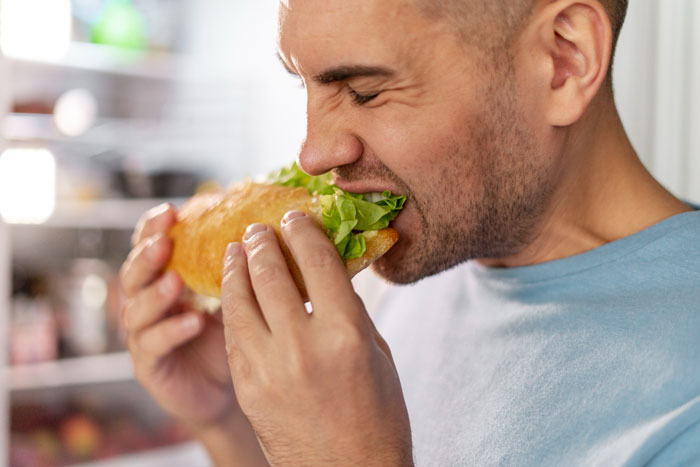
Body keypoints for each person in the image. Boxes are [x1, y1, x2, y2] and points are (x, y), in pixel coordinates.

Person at [119, 0, 700, 465]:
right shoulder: (406, 267)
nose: (315, 154)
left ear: (563, 59)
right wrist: (230, 421)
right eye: (306, 85)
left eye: (365, 92)